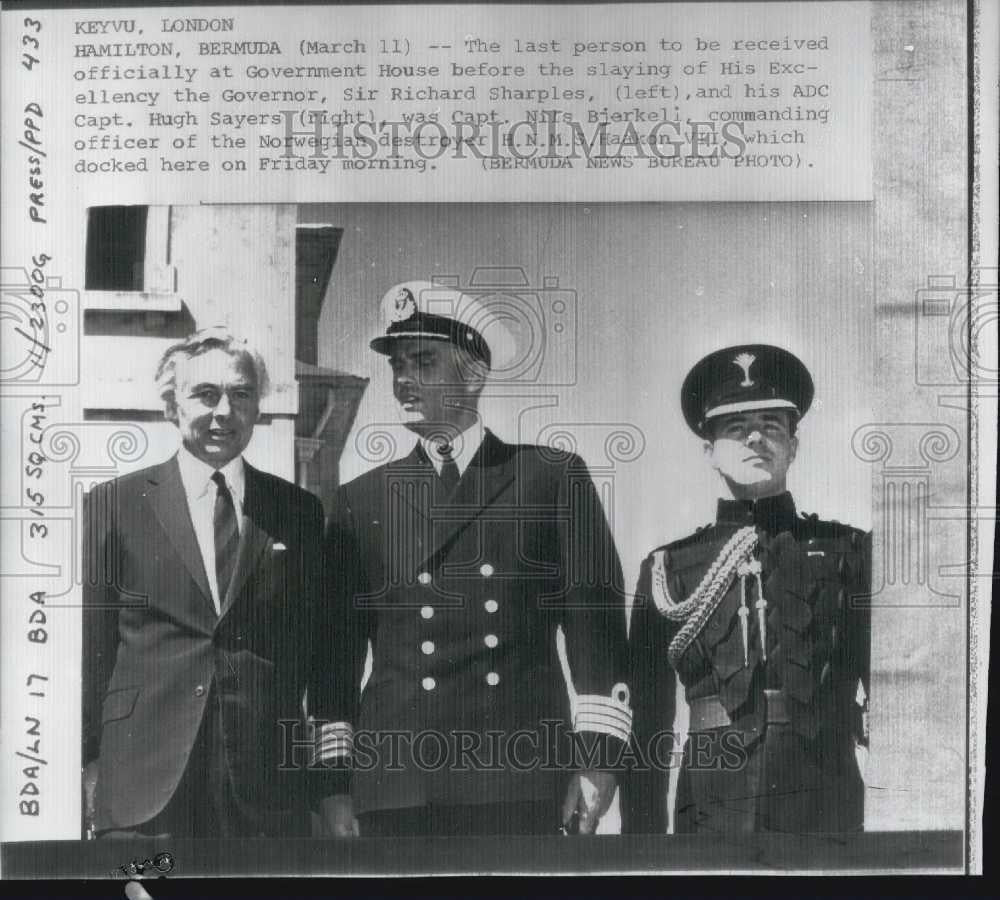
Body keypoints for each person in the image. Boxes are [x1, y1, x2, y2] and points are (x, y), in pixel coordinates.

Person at [319, 281, 631, 837]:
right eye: (397, 365)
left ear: (474, 374)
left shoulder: (549, 477)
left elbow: (594, 626)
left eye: (423, 361)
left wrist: (598, 757)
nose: (403, 381)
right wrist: (334, 785)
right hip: (398, 781)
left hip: (518, 774)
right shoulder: (360, 499)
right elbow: (336, 656)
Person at [82, 328, 350, 838]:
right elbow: (90, 652)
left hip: (267, 790)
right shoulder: (114, 505)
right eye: (205, 394)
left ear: (256, 408)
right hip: (141, 788)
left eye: (241, 394)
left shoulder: (297, 513)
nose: (224, 410)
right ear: (170, 405)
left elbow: (329, 658)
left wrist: (332, 783)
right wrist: (86, 764)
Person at [623, 344, 870, 834]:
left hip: (824, 792)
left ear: (793, 447)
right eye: (736, 429)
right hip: (711, 796)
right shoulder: (668, 567)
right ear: (709, 451)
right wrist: (643, 841)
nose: (756, 438)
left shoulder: (851, 552)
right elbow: (647, 720)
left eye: (771, 425)